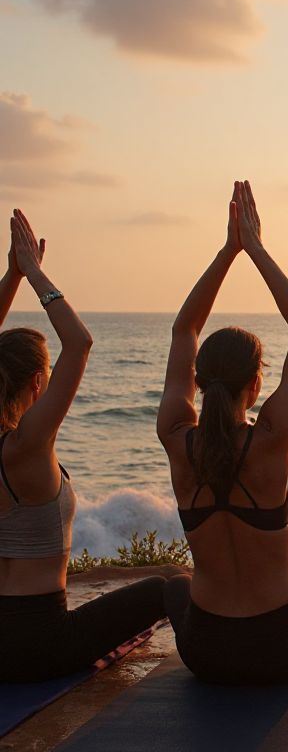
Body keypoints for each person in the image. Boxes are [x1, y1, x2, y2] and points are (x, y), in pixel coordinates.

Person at [158, 181, 288, 684]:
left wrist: (227, 252)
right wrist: (255, 249)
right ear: (257, 383)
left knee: (171, 585)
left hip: (204, 654)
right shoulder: (269, 440)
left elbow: (184, 330)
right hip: (280, 652)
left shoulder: (175, 435)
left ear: (199, 383)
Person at [0, 210, 165, 682]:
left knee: (167, 578)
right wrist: (32, 274)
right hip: (40, 644)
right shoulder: (27, 446)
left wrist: (11, 273)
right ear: (37, 382)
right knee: (173, 585)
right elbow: (79, 343)